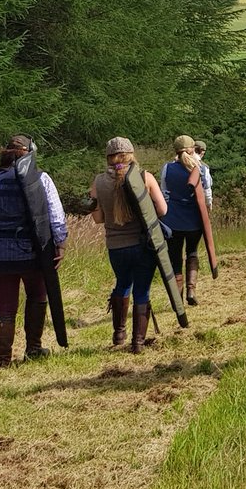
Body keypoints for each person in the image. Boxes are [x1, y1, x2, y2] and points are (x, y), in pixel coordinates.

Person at [0, 135, 68, 367]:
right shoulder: (42, 179)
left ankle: (3, 360)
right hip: (35, 254)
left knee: (5, 307)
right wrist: (60, 244)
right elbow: (56, 218)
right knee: (38, 297)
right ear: (30, 154)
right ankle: (33, 349)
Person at [89, 136, 168, 353]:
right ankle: (138, 343)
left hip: (115, 246)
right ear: (131, 154)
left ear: (108, 157)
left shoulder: (97, 182)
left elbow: (97, 218)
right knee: (141, 290)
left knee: (122, 284)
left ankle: (119, 334)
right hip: (143, 245)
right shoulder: (144, 177)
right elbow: (162, 211)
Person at [159, 135, 207, 305]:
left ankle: (177, 295)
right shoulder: (201, 169)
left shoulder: (167, 168)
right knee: (192, 252)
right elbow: (206, 196)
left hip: (173, 220)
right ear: (192, 149)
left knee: (175, 257)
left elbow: (164, 194)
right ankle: (191, 290)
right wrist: (207, 212)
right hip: (194, 219)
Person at [194, 140, 213, 210]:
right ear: (202, 151)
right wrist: (209, 204)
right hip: (196, 204)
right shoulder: (204, 167)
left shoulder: (173, 164)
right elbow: (207, 188)